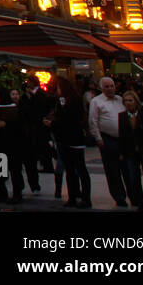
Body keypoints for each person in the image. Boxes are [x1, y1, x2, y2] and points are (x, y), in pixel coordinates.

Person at [49, 76, 92, 208]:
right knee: (73, 169)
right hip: (69, 139)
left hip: (71, 138)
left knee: (78, 168)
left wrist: (53, 122)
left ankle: (81, 198)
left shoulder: (71, 100)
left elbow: (67, 119)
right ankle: (75, 196)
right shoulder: (68, 99)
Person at [89, 76, 130, 208]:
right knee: (112, 170)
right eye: (107, 86)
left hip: (123, 139)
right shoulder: (96, 101)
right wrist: (98, 138)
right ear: (101, 88)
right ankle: (119, 196)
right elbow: (93, 120)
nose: (110, 88)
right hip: (108, 138)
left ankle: (133, 194)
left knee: (127, 168)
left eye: (112, 86)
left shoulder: (120, 99)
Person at [118, 89, 143, 212]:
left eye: (130, 100)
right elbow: (122, 135)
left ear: (136, 101)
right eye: (125, 101)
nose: (128, 103)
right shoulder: (122, 116)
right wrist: (121, 152)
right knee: (134, 179)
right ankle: (141, 203)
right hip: (130, 152)